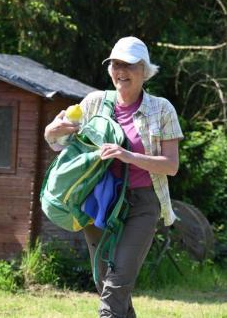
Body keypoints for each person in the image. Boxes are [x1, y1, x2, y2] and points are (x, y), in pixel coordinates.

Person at [44, 36, 184, 317]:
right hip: (99, 200)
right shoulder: (95, 102)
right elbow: (63, 144)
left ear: (144, 70)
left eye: (129, 65)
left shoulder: (162, 109)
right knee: (103, 278)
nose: (121, 71)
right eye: (115, 64)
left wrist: (129, 156)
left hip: (143, 203)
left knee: (118, 280)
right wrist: (52, 131)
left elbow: (171, 166)